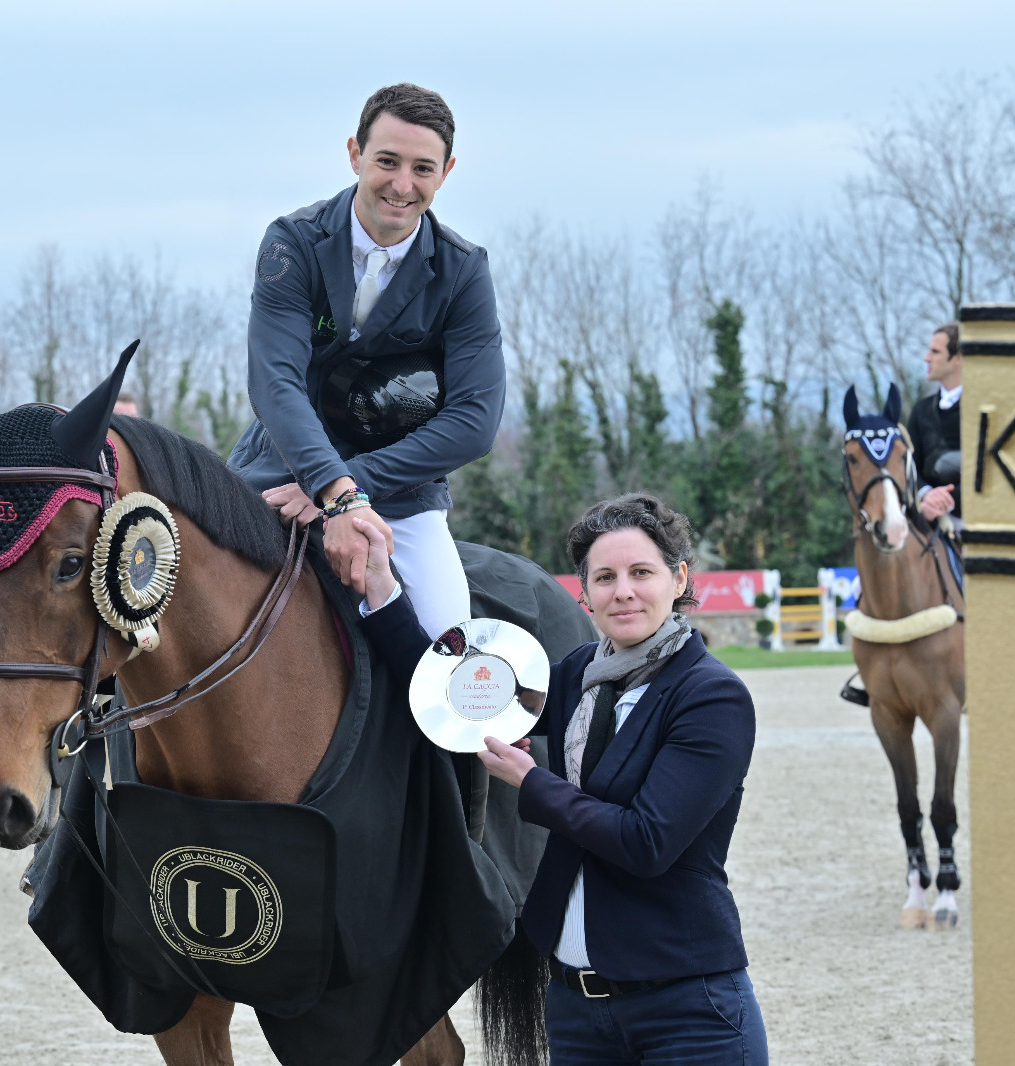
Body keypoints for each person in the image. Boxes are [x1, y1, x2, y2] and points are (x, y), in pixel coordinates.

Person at [350, 493, 767, 1065]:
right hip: (576, 1013)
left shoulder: (711, 696)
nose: (623, 591)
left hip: (687, 1011)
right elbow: (449, 691)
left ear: (679, 580)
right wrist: (382, 592)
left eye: (641, 573)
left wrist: (533, 783)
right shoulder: (577, 676)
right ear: (585, 593)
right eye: (605, 577)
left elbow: (647, 842)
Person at [228, 82, 504, 640]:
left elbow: (475, 421)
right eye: (387, 161)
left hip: (402, 494)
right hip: (282, 473)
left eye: (423, 169)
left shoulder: (464, 270)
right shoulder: (292, 243)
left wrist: (347, 487)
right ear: (355, 154)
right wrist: (329, 484)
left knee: (452, 657)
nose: (402, 185)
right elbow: (276, 382)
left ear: (447, 172)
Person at [909, 323, 962, 525]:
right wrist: (927, 494)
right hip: (926, 516)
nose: (926, 358)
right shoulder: (920, 411)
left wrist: (948, 501)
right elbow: (910, 466)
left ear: (957, 358)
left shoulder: (981, 410)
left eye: (935, 352)